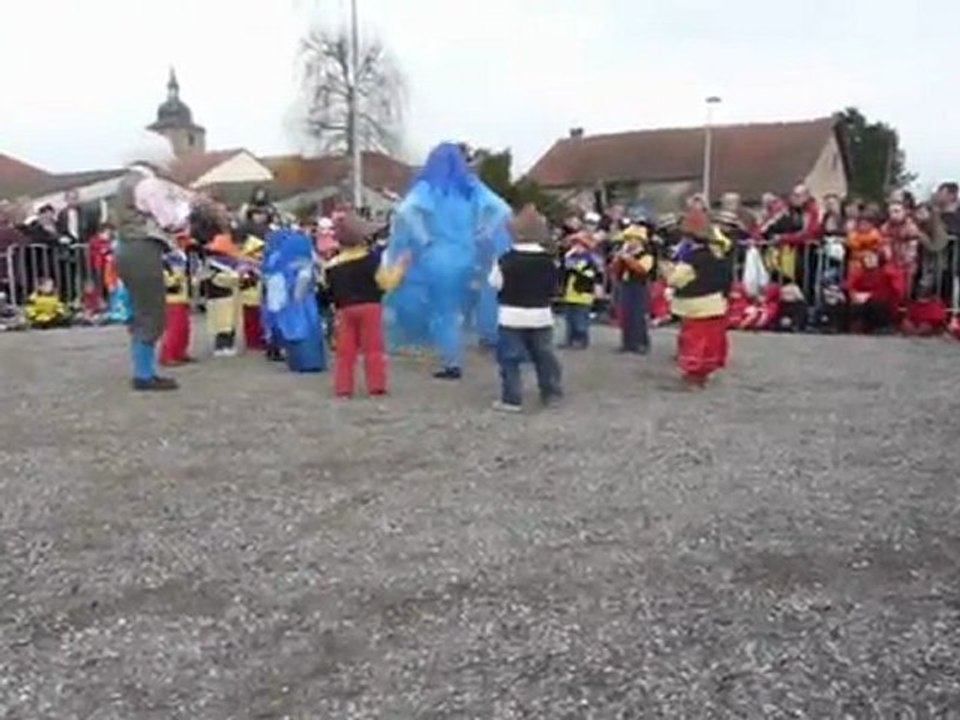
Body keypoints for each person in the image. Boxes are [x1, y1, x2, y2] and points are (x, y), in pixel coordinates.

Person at [384, 142, 511, 380]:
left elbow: (406, 211)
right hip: (469, 255)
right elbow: (502, 209)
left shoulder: (428, 187)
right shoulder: (471, 187)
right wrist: (484, 231)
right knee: (462, 308)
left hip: (439, 257)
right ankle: (486, 343)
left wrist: (423, 237)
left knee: (443, 312)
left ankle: (451, 361)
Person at [113, 132, 191, 391]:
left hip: (125, 247)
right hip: (143, 248)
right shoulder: (148, 184)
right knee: (152, 311)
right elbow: (170, 220)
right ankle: (144, 375)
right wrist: (186, 208)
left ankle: (143, 369)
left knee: (140, 309)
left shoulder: (125, 182)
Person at [487, 204, 563, 413]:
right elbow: (555, 287)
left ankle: (512, 399)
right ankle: (551, 393)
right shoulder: (548, 261)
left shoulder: (505, 260)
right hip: (541, 314)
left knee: (510, 359)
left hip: (511, 315)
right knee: (544, 356)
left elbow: (494, 283)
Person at [325, 214, 409, 398]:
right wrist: (401, 267)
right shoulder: (371, 260)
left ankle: (343, 388)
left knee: (345, 352)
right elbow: (386, 283)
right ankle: (376, 386)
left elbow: (329, 292)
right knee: (373, 348)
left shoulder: (331, 265)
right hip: (370, 306)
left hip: (344, 309)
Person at [661, 209, 731, 389]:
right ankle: (704, 374)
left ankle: (693, 376)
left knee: (694, 341)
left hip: (695, 305)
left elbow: (675, 279)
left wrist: (667, 269)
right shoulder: (718, 254)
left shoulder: (693, 258)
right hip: (716, 303)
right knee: (710, 341)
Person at [260, 228, 327, 373]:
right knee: (308, 330)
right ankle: (310, 361)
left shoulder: (276, 260)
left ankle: (299, 361)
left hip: (289, 304)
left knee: (294, 331)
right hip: (305, 302)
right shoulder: (304, 259)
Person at [610, 223, 654, 354]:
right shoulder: (625, 253)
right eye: (628, 239)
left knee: (638, 315)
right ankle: (627, 343)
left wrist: (628, 259)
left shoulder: (647, 254)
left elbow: (642, 269)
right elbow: (615, 270)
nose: (630, 242)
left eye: (633, 239)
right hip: (625, 285)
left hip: (639, 286)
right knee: (626, 314)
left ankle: (641, 343)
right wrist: (618, 259)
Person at [204, 233, 242, 357]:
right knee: (226, 324)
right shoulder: (224, 264)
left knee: (221, 324)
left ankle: (223, 346)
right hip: (225, 296)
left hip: (215, 297)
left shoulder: (210, 263)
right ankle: (223, 347)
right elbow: (227, 279)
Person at [560, 231, 600, 348]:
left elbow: (590, 274)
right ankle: (569, 339)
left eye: (579, 245)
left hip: (583, 294)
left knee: (581, 319)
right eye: (574, 245)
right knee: (569, 319)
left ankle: (581, 340)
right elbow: (564, 272)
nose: (576, 248)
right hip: (570, 293)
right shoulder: (570, 258)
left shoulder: (590, 259)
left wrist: (575, 267)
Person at [847, 251, 897, 334]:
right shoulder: (859, 273)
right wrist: (855, 295)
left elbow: (886, 291)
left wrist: (869, 296)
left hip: (878, 301)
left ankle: (881, 326)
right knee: (856, 304)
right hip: (861, 299)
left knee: (876, 305)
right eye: (867, 258)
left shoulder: (884, 273)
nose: (870, 261)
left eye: (872, 258)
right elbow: (850, 286)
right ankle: (858, 325)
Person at [159, 245, 192, 365]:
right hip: (170, 299)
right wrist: (177, 278)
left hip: (181, 296)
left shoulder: (179, 258)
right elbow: (165, 281)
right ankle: (167, 356)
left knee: (184, 328)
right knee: (174, 328)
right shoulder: (161, 261)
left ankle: (180, 352)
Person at [239, 234, 265, 351]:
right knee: (251, 319)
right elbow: (243, 278)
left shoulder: (259, 262)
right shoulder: (245, 264)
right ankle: (253, 341)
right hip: (249, 295)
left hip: (258, 295)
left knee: (259, 318)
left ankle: (259, 339)